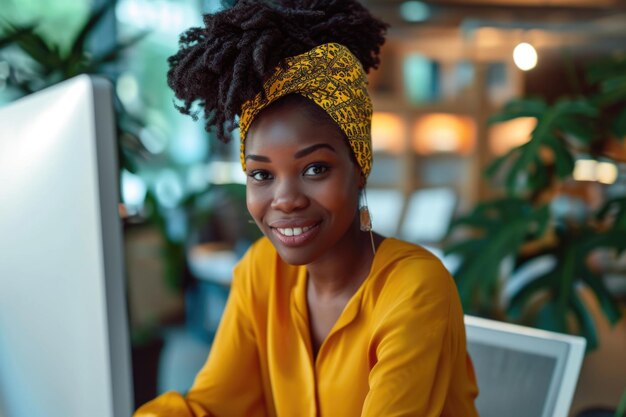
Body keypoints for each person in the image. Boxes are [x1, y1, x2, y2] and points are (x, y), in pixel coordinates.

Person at [134, 1, 479, 416]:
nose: (285, 199)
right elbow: (210, 406)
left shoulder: (414, 289)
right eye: (261, 175)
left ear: (359, 168)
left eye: (315, 168)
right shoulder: (261, 272)